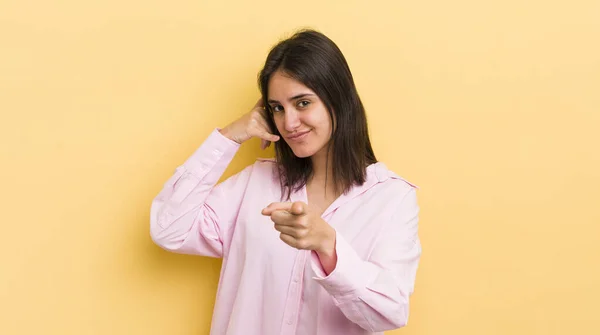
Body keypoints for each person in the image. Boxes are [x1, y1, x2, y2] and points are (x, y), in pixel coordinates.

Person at [150, 29, 422, 335]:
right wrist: (229, 137)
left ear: (339, 99)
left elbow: (389, 313)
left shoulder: (391, 198)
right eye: (277, 108)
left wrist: (329, 247)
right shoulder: (255, 183)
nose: (289, 123)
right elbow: (169, 229)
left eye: (303, 103)